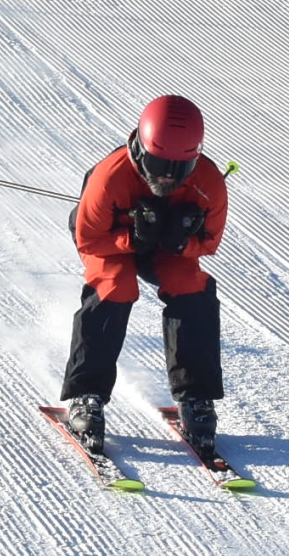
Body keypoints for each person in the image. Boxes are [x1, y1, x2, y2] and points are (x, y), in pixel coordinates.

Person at [60, 95, 229, 460]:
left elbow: (209, 242)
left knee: (192, 288)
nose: (167, 176)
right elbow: (88, 238)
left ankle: (196, 398)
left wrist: (180, 241)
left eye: (180, 167)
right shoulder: (109, 177)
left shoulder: (209, 182)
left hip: (167, 250)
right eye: (158, 164)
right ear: (139, 149)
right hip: (111, 244)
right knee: (116, 286)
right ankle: (85, 394)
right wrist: (131, 239)